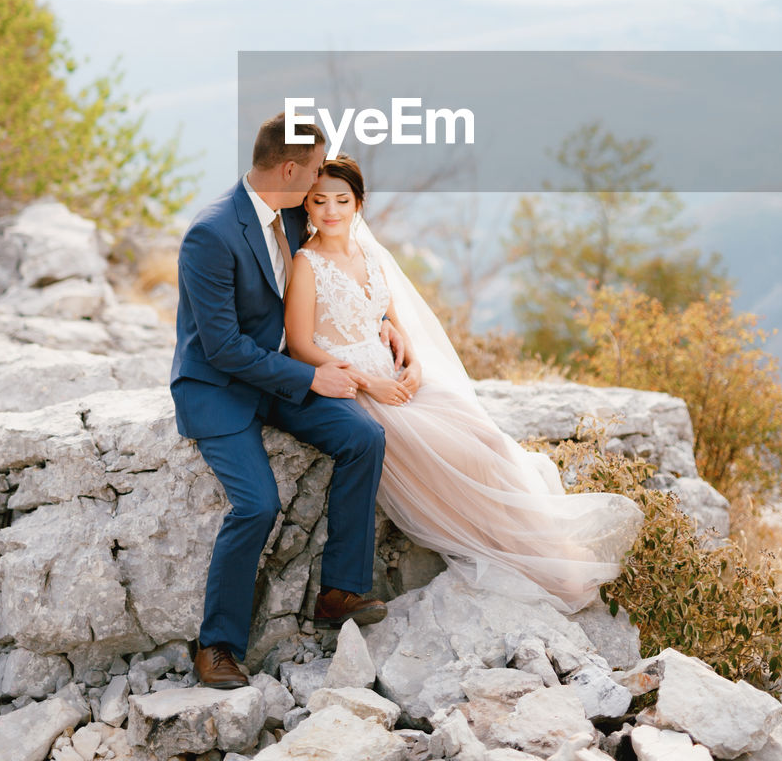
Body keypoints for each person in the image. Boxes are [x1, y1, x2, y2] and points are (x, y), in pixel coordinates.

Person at [284, 153, 645, 614]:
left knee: (488, 439)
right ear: (307, 207)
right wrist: (369, 383)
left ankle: (544, 546)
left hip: (395, 378)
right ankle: (535, 562)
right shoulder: (306, 263)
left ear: (358, 204)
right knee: (461, 456)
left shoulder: (369, 254)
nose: (331, 211)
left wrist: (410, 359)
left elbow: (389, 318)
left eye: (341, 200)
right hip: (357, 387)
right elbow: (299, 345)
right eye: (320, 202)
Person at [171, 115, 395, 691]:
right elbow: (221, 348)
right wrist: (311, 378)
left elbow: (343, 263)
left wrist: (385, 325)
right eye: (315, 169)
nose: (321, 182)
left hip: (281, 378)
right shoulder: (211, 234)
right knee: (257, 504)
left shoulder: (293, 214)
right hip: (218, 388)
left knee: (363, 438)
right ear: (290, 169)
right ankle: (216, 644)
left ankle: (340, 590)